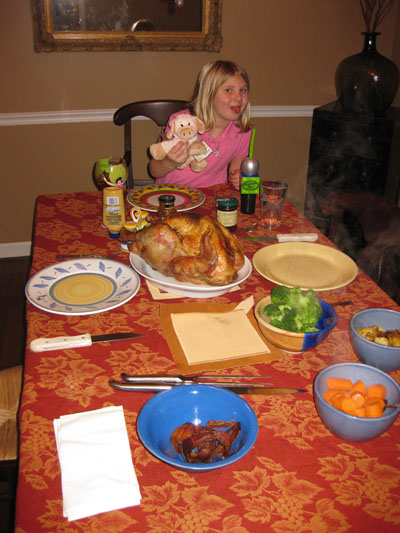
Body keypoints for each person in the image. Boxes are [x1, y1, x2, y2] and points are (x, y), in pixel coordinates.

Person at [149, 60, 252, 190]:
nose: (238, 98)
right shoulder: (183, 123)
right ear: (209, 94)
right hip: (172, 196)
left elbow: (236, 171)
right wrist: (170, 162)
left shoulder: (242, 132)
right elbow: (154, 170)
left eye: (243, 90)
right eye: (228, 90)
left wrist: (239, 179)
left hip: (211, 198)